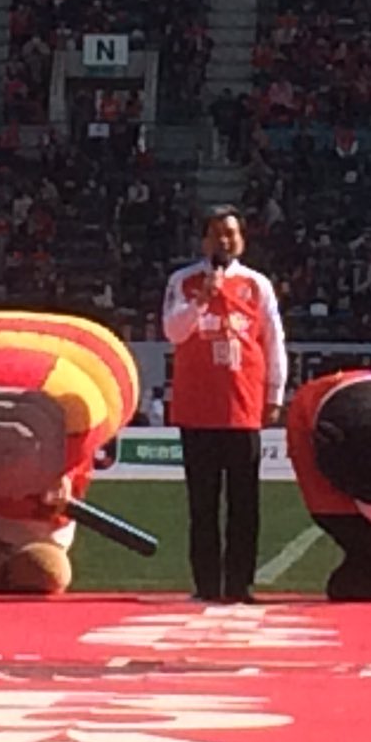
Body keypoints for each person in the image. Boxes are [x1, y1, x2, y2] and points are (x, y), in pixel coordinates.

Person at [160, 206, 287, 604]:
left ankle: (239, 584)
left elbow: (273, 341)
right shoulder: (183, 281)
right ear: (204, 241)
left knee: (244, 503)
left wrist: (274, 394)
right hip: (197, 408)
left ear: (242, 239)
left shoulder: (256, 285)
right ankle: (206, 584)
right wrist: (202, 299)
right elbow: (173, 333)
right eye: (216, 234)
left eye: (230, 234)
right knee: (202, 503)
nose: (224, 241)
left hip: (244, 406)